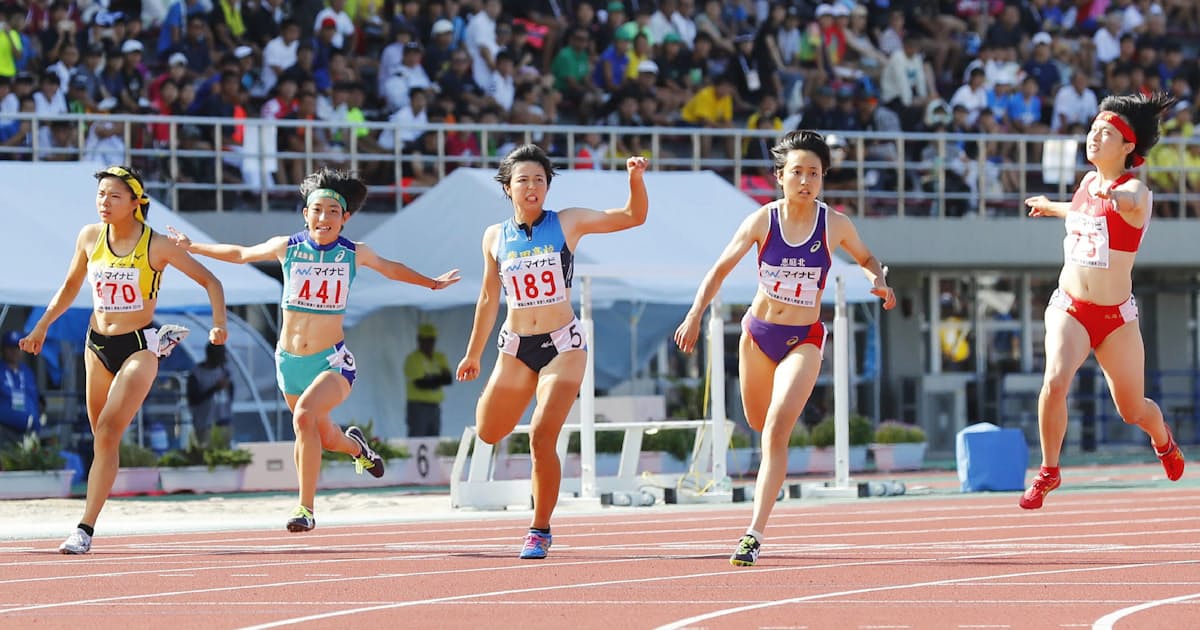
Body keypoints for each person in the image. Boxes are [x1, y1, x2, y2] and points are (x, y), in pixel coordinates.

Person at [167, 167, 461, 532]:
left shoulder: (355, 253)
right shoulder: (286, 247)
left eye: (333, 212)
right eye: (317, 210)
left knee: (303, 416)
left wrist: (431, 284)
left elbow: (392, 269)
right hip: (290, 362)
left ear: (345, 218)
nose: (324, 218)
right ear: (306, 214)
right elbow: (241, 253)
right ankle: (359, 449)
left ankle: (304, 510)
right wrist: (192, 247)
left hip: (332, 361)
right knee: (324, 435)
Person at [674, 130, 895, 567]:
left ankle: (753, 533)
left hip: (805, 339)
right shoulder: (762, 220)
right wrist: (695, 313)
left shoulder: (834, 224)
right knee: (758, 422)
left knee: (776, 428)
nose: (806, 180)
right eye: (797, 172)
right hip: (758, 335)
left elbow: (867, 258)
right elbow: (720, 269)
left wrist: (878, 280)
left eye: (815, 173)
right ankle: (759, 506)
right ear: (780, 177)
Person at [20, 165, 228, 555]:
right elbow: (69, 287)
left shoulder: (156, 245)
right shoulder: (89, 236)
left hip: (138, 346)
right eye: (100, 195)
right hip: (96, 343)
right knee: (102, 436)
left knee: (110, 430)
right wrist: (42, 326)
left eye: (114, 196)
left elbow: (211, 282)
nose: (104, 202)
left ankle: (84, 528)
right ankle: (90, 517)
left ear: (135, 202)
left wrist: (218, 326)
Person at [455, 145, 649, 560]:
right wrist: (473, 354)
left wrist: (634, 179)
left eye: (539, 180)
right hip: (515, 346)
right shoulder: (494, 236)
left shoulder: (568, 222)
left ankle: (539, 528)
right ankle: (538, 519)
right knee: (488, 431)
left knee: (543, 435)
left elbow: (634, 217)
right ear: (507, 188)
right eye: (523, 180)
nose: (532, 187)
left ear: (548, 186)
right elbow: (489, 298)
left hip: (563, 345)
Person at [1021, 93, 1186, 509]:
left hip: (1116, 319)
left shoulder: (1135, 192)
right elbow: (1081, 209)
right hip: (1071, 307)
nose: (1094, 137)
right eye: (1093, 130)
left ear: (1128, 146)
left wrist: (1118, 198)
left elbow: (1128, 202)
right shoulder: (1085, 183)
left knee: (1133, 410)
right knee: (1055, 381)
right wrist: (1050, 206)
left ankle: (1162, 439)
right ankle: (1049, 471)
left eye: (1106, 133)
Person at [404, 322, 452, 438]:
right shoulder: (413, 359)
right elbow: (421, 384)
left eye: (431, 340)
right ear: (419, 340)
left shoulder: (439, 357)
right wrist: (438, 378)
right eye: (425, 340)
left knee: (434, 440)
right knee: (417, 439)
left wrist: (431, 378)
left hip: (435, 406)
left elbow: (448, 379)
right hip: (418, 406)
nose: (429, 344)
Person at [187, 341, 233, 445]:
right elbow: (194, 399)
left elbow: (230, 394)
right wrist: (214, 388)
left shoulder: (224, 371)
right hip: (204, 426)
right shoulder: (197, 374)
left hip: (223, 423)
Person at [0, 330, 40, 448]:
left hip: (28, 432)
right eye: (10, 348)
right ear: (3, 349)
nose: (14, 352)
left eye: (17, 348)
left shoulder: (27, 372)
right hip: (5, 431)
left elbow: (33, 396)